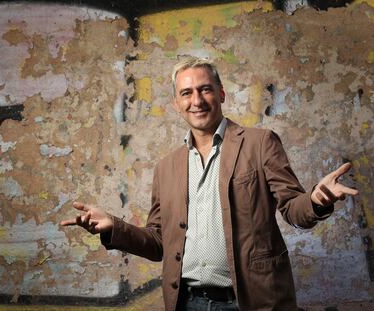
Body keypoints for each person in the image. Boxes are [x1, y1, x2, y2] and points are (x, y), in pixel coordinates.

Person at [60, 57, 358, 311]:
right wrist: (114, 226)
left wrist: (318, 200)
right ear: (177, 103)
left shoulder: (259, 143)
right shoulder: (166, 167)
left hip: (251, 302)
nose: (197, 101)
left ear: (222, 94)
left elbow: (294, 210)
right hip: (187, 303)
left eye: (205, 89)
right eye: (187, 93)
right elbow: (159, 244)